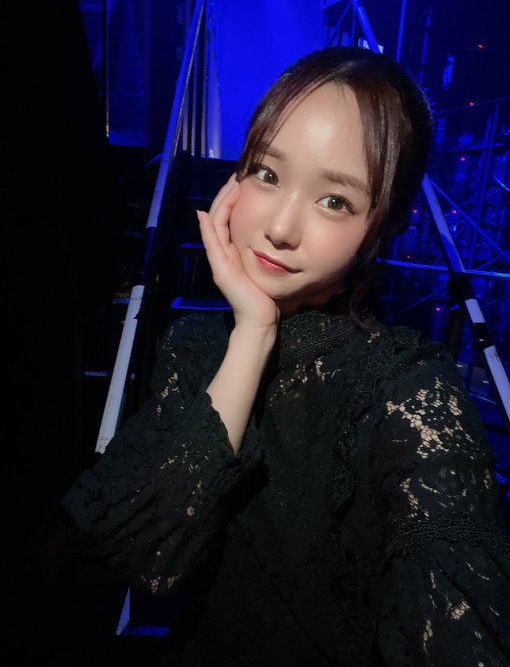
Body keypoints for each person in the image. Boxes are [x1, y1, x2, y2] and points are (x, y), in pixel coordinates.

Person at [62, 46, 510, 665]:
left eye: (335, 201)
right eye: (267, 174)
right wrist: (252, 334)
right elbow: (146, 563)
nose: (280, 228)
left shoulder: (409, 391)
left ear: (382, 228)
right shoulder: (195, 347)